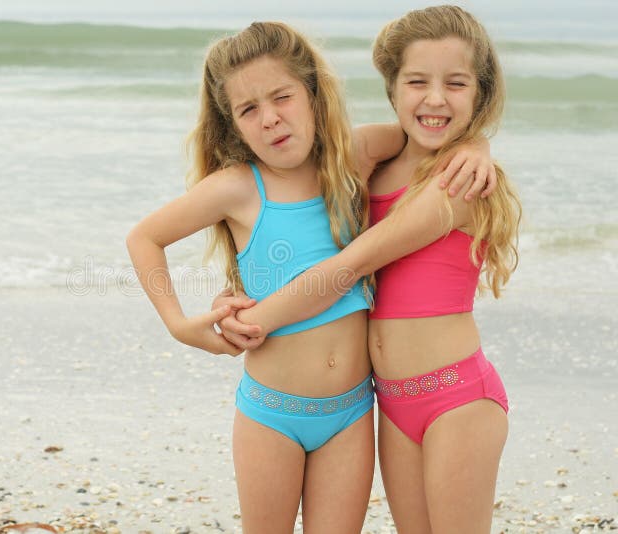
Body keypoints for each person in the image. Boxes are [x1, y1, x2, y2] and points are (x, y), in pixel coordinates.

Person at [127, 21, 494, 534]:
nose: (271, 119)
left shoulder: (354, 158)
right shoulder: (236, 186)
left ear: (314, 95)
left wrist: (477, 149)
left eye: (283, 97)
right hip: (270, 412)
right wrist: (177, 323)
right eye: (249, 109)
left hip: (351, 413)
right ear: (233, 124)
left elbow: (429, 139)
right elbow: (144, 238)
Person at [215, 7, 521, 534]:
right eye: (417, 81)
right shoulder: (371, 159)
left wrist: (258, 319)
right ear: (392, 87)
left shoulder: (460, 184)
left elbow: (349, 265)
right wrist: (243, 289)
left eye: (456, 84)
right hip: (390, 402)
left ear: (480, 92)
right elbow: (292, 214)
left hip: (457, 399)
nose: (434, 99)